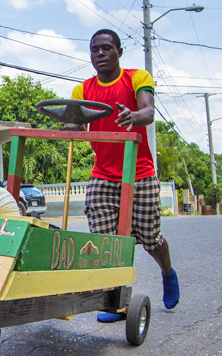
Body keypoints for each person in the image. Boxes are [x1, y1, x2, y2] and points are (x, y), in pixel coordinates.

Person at [71, 29, 179, 322]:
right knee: (105, 242)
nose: (101, 54)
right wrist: (72, 127)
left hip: (139, 172)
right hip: (102, 175)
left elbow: (149, 111)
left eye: (107, 48)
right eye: (95, 50)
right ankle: (116, 302)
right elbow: (79, 127)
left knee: (149, 237)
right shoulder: (82, 90)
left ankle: (167, 273)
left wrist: (133, 116)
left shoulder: (137, 78)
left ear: (119, 51)